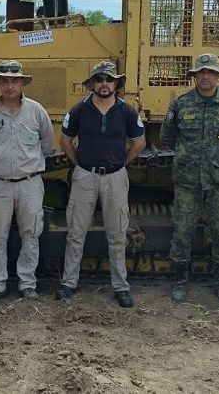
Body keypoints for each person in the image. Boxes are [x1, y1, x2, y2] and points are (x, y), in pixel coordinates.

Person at [55, 61, 146, 308]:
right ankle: (69, 283)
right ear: (92, 84)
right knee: (76, 231)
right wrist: (78, 165)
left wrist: (121, 165)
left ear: (116, 83)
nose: (104, 84)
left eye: (109, 80)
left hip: (115, 177)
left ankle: (121, 286)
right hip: (85, 175)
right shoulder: (79, 111)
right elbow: (65, 140)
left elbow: (139, 143)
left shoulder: (126, 111)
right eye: (99, 79)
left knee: (117, 233)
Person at [160, 54, 219, 303]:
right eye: (201, 73)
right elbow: (167, 136)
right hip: (187, 180)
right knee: (182, 230)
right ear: (194, 77)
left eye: (211, 72)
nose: (206, 77)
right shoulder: (181, 104)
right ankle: (179, 280)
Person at [0, 60, 54, 304]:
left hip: (29, 183)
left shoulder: (36, 111)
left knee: (31, 234)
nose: (9, 85)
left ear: (22, 83)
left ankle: (27, 283)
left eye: (14, 80)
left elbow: (47, 144)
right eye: (5, 80)